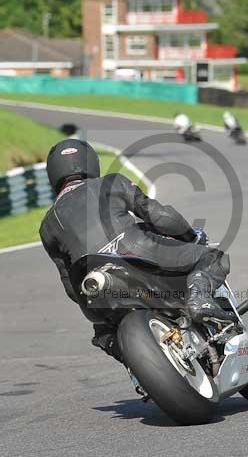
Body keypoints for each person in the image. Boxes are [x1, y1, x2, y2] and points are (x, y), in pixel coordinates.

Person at [39, 138, 234, 362]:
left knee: (104, 335)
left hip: (94, 287)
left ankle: (134, 367)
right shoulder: (111, 182)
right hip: (139, 253)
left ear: (52, 174)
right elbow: (161, 217)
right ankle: (200, 299)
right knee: (212, 258)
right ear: (90, 163)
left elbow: (69, 286)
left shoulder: (47, 225)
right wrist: (190, 236)